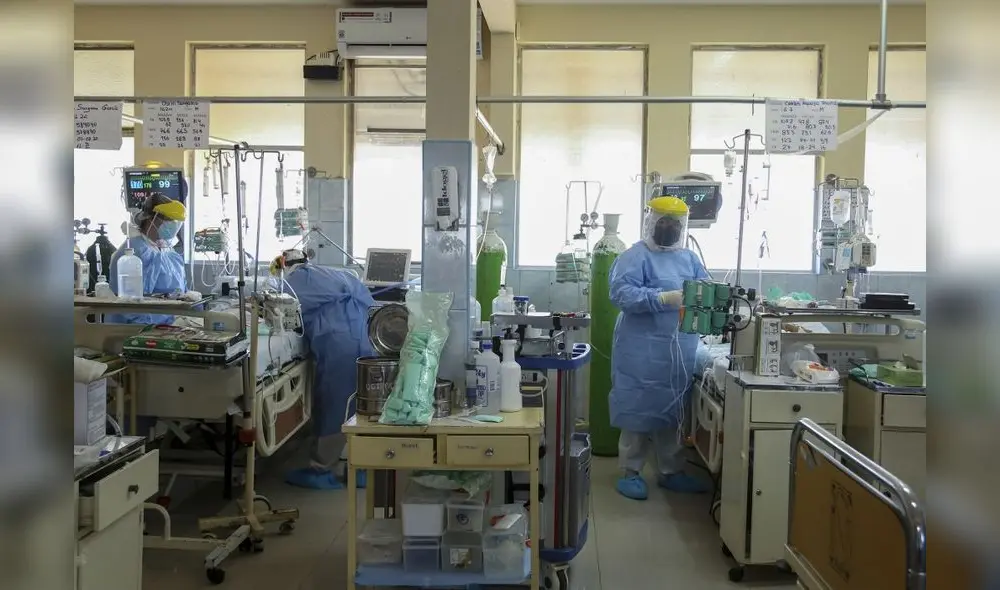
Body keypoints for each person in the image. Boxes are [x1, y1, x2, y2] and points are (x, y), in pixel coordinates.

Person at [608, 196, 710, 501]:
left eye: (674, 224)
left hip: (678, 347)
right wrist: (662, 298)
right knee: (637, 409)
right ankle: (630, 472)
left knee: (673, 410)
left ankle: (671, 471)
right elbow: (621, 294)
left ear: (682, 227)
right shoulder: (634, 256)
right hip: (639, 348)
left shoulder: (690, 259)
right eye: (662, 222)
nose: (668, 229)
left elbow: (705, 289)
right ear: (651, 222)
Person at [273, 249, 375, 490]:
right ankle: (363, 470)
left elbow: (277, 313)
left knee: (335, 407)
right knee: (364, 408)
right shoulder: (341, 275)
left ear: (284, 265)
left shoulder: (293, 284)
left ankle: (321, 471)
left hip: (338, 345)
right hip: (368, 339)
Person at [106, 193, 188, 325]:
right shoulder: (134, 251)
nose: (173, 225)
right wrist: (148, 325)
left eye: (175, 222)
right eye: (168, 220)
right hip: (135, 328)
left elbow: (181, 291)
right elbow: (129, 304)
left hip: (167, 323)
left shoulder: (169, 252)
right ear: (151, 218)